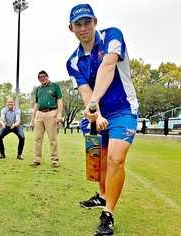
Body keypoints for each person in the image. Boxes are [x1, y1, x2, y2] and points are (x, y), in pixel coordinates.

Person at [66, 4, 139, 235]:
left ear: (95, 22)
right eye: (78, 24)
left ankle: (108, 213)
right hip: (97, 112)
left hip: (123, 109)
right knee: (98, 161)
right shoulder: (73, 61)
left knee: (115, 160)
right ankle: (101, 194)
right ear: (71, 28)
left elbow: (108, 67)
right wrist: (95, 113)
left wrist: (94, 105)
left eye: (87, 22)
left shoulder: (112, 36)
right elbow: (84, 89)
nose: (84, 28)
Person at [30, 70, 63, 168]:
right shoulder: (38, 89)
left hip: (51, 113)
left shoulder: (55, 86)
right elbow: (36, 104)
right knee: (37, 139)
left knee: (52, 139)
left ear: (47, 76)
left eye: (44, 76)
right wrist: (33, 117)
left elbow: (59, 101)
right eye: (40, 77)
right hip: (39, 114)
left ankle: (54, 160)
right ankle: (37, 160)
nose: (42, 78)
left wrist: (59, 114)